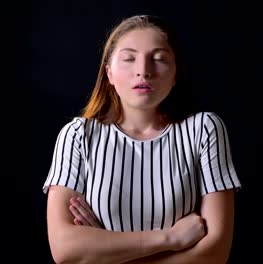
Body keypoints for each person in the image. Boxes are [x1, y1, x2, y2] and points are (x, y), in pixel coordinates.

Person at [42, 14, 241, 264]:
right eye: (128, 58)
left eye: (158, 59)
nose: (143, 71)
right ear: (109, 74)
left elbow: (215, 253)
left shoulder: (204, 130)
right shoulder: (78, 136)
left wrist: (104, 252)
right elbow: (65, 249)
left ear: (176, 73)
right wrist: (170, 238)